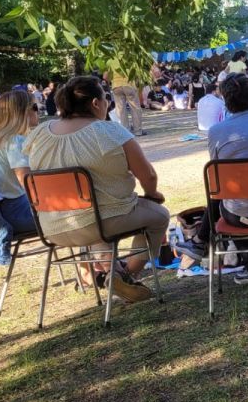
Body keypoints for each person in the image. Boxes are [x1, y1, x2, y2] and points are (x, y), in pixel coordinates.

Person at [22, 75, 168, 303]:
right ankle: (127, 275)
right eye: (106, 97)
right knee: (159, 216)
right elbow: (148, 175)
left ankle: (114, 273)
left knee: (96, 213)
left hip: (52, 226)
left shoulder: (40, 134)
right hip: (100, 221)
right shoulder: (110, 131)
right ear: (95, 103)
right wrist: (152, 195)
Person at [178, 75, 248, 286]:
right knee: (230, 195)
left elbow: (219, 176)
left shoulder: (217, 131)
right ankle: (203, 243)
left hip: (240, 215)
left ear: (225, 100)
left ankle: (246, 264)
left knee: (224, 195)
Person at [0, 90, 40, 265]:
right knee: (75, 216)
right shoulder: (15, 141)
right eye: (35, 107)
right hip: (12, 212)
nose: (39, 111)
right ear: (23, 112)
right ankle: (93, 268)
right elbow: (27, 181)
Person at [109, 68, 145, 136]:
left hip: (116, 86)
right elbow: (138, 73)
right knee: (135, 108)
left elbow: (106, 76)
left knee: (121, 109)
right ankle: (138, 131)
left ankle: (125, 132)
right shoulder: (130, 61)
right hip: (129, 84)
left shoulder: (111, 61)